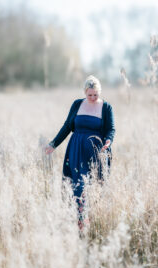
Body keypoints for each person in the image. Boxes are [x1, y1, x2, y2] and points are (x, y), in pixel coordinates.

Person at [45, 75, 115, 230]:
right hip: (76, 151)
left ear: (99, 92)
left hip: (95, 153)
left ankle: (89, 219)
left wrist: (109, 141)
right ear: (85, 92)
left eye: (95, 95)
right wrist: (53, 144)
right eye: (89, 94)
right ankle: (79, 222)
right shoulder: (77, 104)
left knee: (93, 186)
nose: (92, 97)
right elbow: (67, 126)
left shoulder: (106, 107)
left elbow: (111, 129)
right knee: (77, 185)